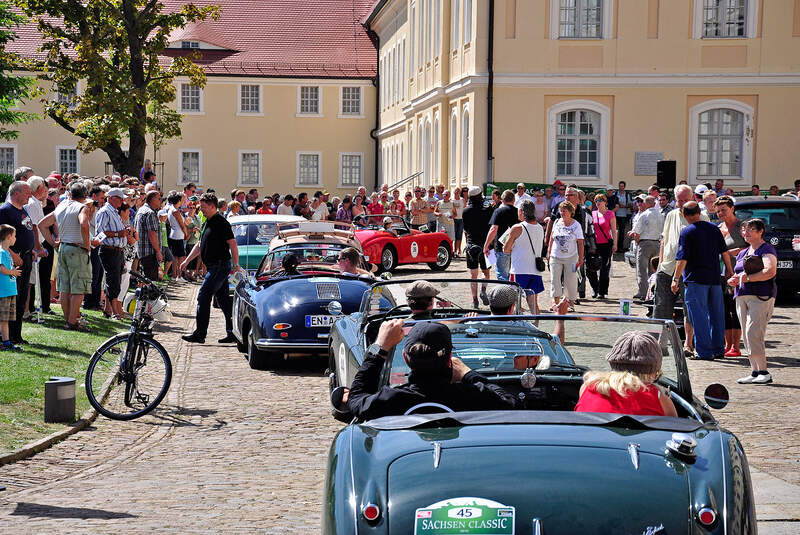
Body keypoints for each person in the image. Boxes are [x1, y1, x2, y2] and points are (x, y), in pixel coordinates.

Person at [345, 320, 518, 420]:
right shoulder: (470, 395)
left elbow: (356, 399)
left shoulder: (391, 399)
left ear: (406, 358)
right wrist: (468, 374)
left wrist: (380, 348)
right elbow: (509, 401)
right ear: (449, 357)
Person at [671, 201, 730, 360]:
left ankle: (704, 352)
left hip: (696, 280)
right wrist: (729, 271)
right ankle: (718, 349)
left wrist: (676, 278)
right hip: (715, 279)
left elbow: (682, 258)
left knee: (699, 316)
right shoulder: (713, 229)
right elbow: (724, 252)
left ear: (684, 215)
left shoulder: (687, 232)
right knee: (717, 315)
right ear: (699, 212)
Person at [654, 184, 708, 357]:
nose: (682, 203)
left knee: (689, 309)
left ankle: (688, 344)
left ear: (693, 198)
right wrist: (659, 266)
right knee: (661, 308)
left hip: (689, 270)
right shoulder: (671, 215)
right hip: (667, 268)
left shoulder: (702, 217)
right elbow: (664, 241)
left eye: (685, 200)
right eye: (679, 200)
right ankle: (660, 345)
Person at [181, 193, 242, 344]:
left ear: (213, 206)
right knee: (224, 302)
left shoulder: (221, 222)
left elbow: (232, 244)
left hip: (220, 266)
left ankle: (200, 334)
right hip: (213, 267)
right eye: (200, 206)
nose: (201, 209)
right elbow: (200, 245)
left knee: (203, 296)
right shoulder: (206, 222)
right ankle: (233, 332)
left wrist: (236, 265)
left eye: (203, 207)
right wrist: (187, 260)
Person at [574, 331, 677, 416]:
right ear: (653, 372)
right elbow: (675, 430)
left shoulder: (588, 387)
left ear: (613, 363)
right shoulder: (659, 398)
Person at [727, 219, 777, 384]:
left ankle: (764, 371)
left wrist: (747, 278)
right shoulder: (743, 252)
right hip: (741, 296)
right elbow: (739, 273)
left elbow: (769, 271)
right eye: (744, 230)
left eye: (750, 230)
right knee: (747, 336)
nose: (746, 233)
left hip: (760, 296)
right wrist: (733, 280)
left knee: (753, 332)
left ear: (760, 231)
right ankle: (755, 371)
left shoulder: (766, 249)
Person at [0, 181, 37, 343]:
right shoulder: (5, 211)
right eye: (27, 192)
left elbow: (27, 230)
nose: (30, 195)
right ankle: (7, 335)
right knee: (12, 298)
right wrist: (13, 254)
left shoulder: (24, 210)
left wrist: (33, 249)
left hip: (27, 257)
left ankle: (16, 335)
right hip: (14, 259)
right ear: (16, 193)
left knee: (22, 298)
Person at [53, 182, 93, 332]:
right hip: (76, 249)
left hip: (63, 247)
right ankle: (72, 322)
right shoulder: (82, 207)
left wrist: (53, 242)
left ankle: (68, 320)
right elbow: (84, 224)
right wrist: (87, 244)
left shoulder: (61, 206)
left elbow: (44, 223)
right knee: (78, 289)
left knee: (65, 287)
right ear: (85, 195)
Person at [715, 196, 746, 357]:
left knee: (736, 309)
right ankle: (728, 345)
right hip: (722, 274)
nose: (721, 213)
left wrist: (736, 251)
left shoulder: (742, 227)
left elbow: (752, 246)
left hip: (739, 274)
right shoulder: (718, 228)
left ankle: (736, 345)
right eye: (718, 211)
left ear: (732, 208)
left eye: (724, 210)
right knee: (725, 309)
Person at [503, 199, 544, 314]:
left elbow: (506, 249)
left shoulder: (517, 227)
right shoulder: (540, 228)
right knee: (533, 304)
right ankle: (536, 326)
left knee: (514, 302)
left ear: (521, 211)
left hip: (519, 270)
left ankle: (515, 326)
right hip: (535, 270)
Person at [94, 188, 129, 318]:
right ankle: (114, 311)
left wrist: (122, 232)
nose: (122, 201)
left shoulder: (113, 212)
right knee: (112, 280)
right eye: (120, 199)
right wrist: (117, 233)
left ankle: (109, 309)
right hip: (109, 250)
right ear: (112, 198)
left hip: (117, 250)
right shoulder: (105, 212)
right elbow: (100, 233)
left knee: (115, 280)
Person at [547, 201, 584, 312]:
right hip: (555, 256)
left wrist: (581, 258)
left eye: (565, 210)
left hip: (572, 257)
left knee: (571, 279)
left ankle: (571, 303)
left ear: (571, 212)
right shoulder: (557, 222)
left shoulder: (576, 225)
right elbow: (552, 238)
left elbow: (580, 242)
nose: (562, 212)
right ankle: (556, 302)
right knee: (555, 279)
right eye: (561, 210)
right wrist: (549, 251)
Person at [461, 186, 493, 308]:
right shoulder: (488, 209)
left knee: (473, 275)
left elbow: (466, 229)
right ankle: (483, 290)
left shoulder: (466, 211)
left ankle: (474, 301)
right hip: (487, 245)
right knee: (486, 273)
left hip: (471, 245)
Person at [629, 195, 663, 301]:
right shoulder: (661, 215)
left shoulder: (643, 215)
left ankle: (643, 293)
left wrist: (637, 242)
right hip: (657, 243)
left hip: (645, 243)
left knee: (642, 269)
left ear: (646, 203)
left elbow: (636, 232)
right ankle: (653, 291)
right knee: (653, 268)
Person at [585, 193, 617, 300]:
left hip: (606, 244)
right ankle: (595, 288)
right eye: (596, 200)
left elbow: (613, 230)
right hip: (594, 244)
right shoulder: (592, 213)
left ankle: (602, 292)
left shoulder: (610, 214)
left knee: (604, 268)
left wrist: (615, 244)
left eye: (600, 200)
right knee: (590, 267)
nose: (598, 202)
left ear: (605, 202)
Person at [483, 190, 517, 282]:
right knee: (513, 276)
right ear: (514, 200)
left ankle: (506, 295)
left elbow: (493, 229)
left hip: (502, 247)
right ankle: (513, 294)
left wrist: (486, 245)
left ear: (502, 200)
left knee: (502, 275)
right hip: (516, 248)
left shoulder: (499, 211)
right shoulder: (518, 212)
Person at [0, 225, 22, 350]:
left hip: (9, 291)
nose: (15, 238)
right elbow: (1, 268)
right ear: (8, 237)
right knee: (2, 319)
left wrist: (12, 271)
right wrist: (12, 272)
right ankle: (6, 342)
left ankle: (6, 342)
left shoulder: (7, 252)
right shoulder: (1, 252)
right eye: (14, 236)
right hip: (3, 292)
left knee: (5, 319)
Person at [166, 192, 189, 280]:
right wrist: (186, 234)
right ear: (179, 200)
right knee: (181, 257)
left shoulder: (172, 209)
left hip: (174, 234)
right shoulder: (175, 211)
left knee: (175, 257)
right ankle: (179, 276)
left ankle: (175, 275)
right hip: (178, 235)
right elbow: (182, 225)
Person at [612, 181, 632, 251]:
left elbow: (630, 204)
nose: (621, 187)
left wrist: (625, 206)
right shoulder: (615, 194)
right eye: (620, 186)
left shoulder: (627, 195)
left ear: (624, 187)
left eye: (622, 186)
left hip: (623, 215)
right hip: (615, 214)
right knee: (614, 231)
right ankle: (614, 247)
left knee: (622, 232)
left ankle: (620, 248)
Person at [451, 188, 464, 257]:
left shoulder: (462, 200)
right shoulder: (451, 200)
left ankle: (458, 250)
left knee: (459, 235)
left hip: (461, 219)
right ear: (453, 192)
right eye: (456, 191)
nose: (457, 192)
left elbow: (464, 208)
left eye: (458, 191)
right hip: (454, 219)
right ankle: (453, 250)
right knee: (453, 235)